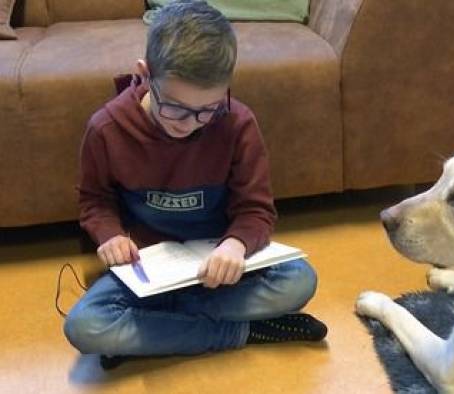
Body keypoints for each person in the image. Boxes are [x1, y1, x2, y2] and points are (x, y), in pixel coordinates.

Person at [63, 0, 327, 369]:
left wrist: (236, 245)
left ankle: (153, 333)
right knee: (84, 326)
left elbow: (256, 210)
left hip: (218, 271)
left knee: (300, 280)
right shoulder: (107, 129)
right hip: (149, 272)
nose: (190, 123)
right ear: (144, 74)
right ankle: (243, 332)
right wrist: (109, 236)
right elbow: (95, 201)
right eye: (174, 108)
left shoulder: (237, 123)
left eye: (208, 110)